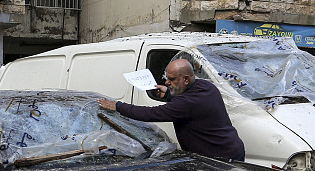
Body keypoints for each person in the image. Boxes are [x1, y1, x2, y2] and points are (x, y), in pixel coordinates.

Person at [98, 58, 245, 161]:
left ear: (186, 79)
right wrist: (168, 93)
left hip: (220, 158)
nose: (167, 82)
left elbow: (151, 114)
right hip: (230, 149)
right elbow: (186, 99)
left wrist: (118, 106)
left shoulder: (187, 103)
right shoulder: (205, 86)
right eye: (166, 78)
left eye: (172, 79)